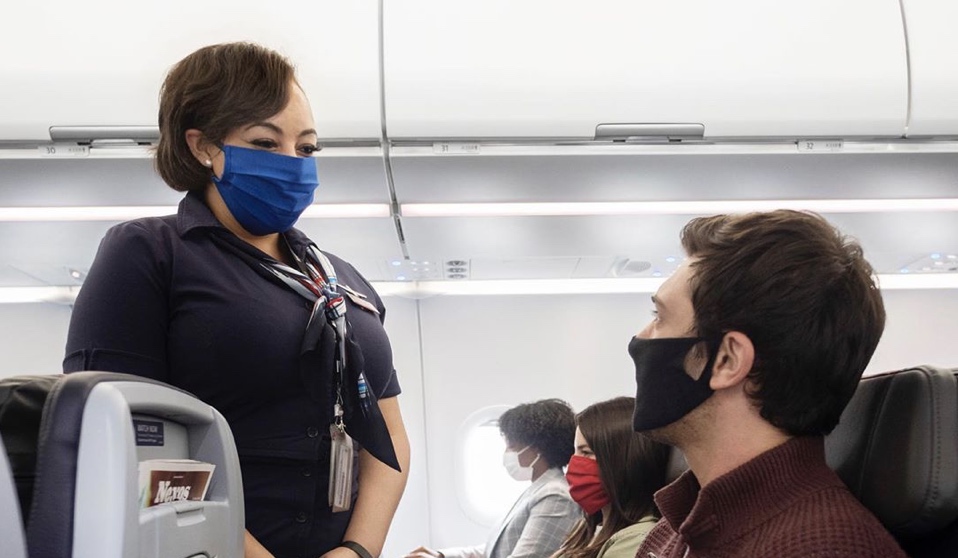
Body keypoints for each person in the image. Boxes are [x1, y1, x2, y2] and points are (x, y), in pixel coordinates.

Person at [63, 42, 410, 558]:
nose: (293, 163)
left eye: (307, 148)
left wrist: (358, 551)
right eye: (266, 144)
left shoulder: (339, 279)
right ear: (203, 146)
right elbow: (120, 439)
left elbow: (388, 437)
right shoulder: (149, 254)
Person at [629, 210, 906, 557]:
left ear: (728, 360)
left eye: (660, 317)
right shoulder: (678, 528)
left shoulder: (824, 548)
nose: (642, 337)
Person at [406, 399, 581, 558]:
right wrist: (440, 556)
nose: (507, 453)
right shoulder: (538, 489)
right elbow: (494, 550)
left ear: (537, 449)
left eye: (512, 446)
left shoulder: (555, 496)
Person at [552, 397, 670, 558]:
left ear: (623, 462)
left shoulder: (635, 540)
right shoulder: (590, 526)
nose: (573, 462)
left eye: (586, 452)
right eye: (575, 452)